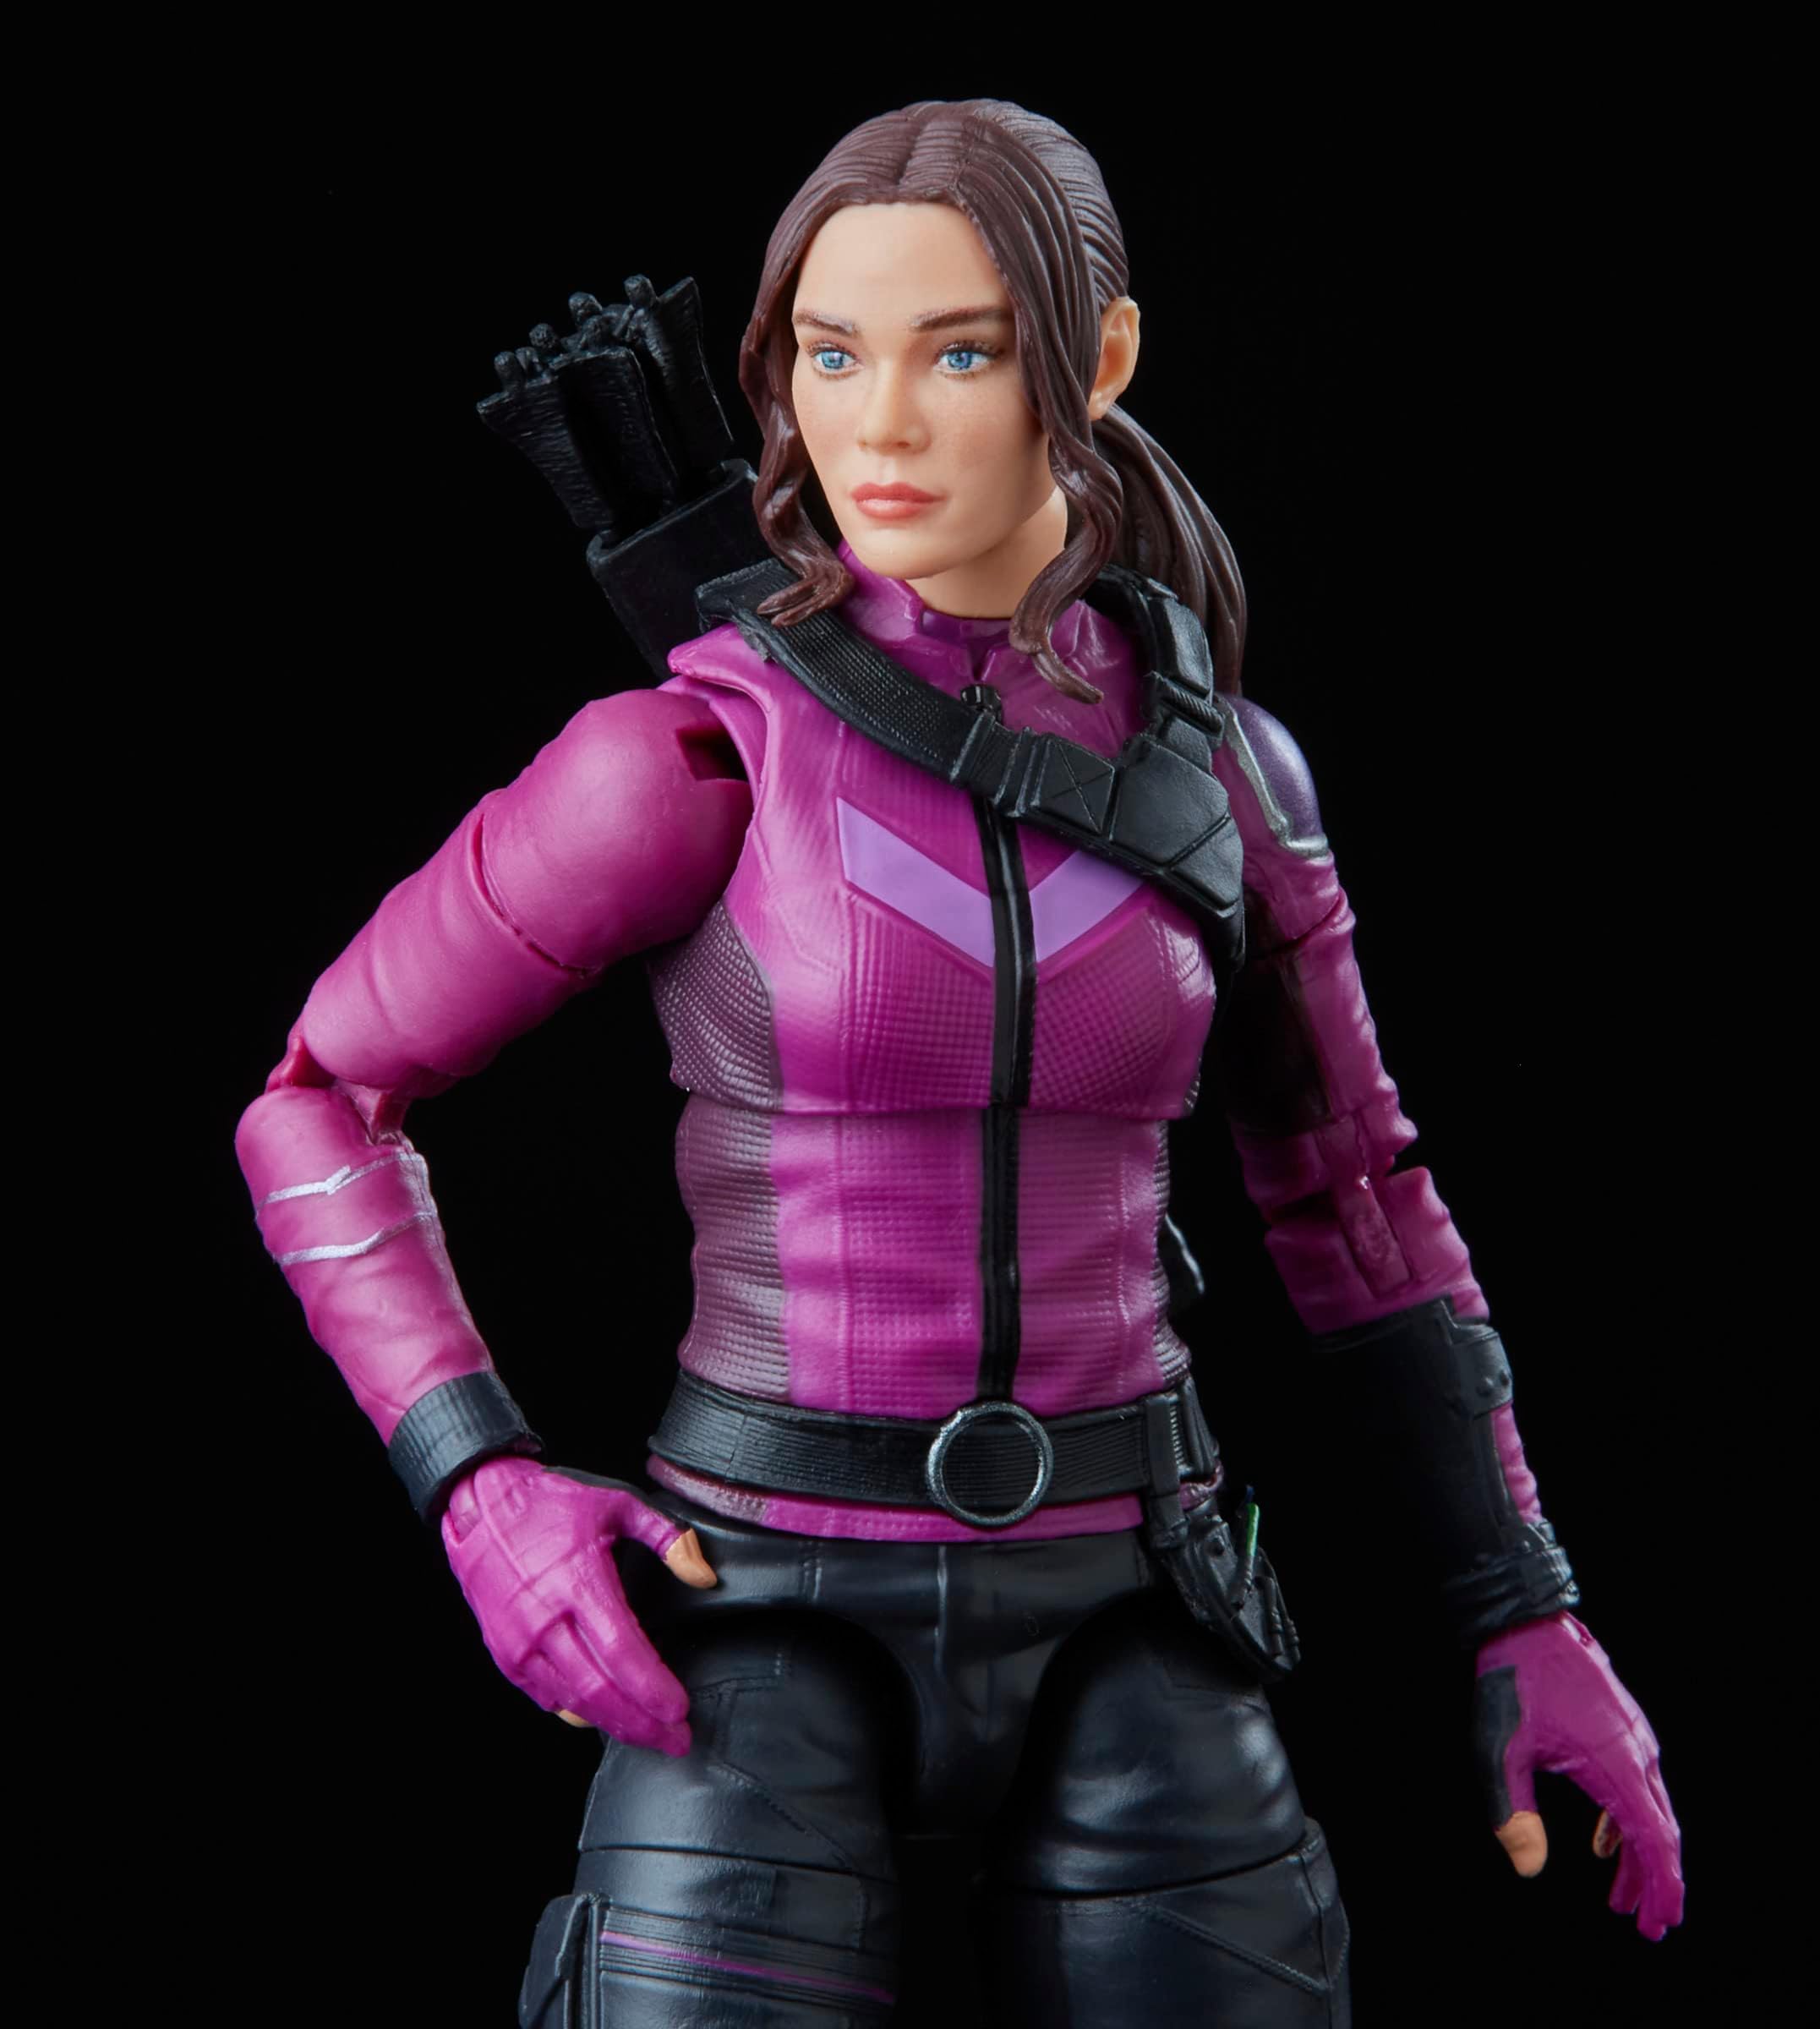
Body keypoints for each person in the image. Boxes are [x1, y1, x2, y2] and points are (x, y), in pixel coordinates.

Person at [236, 99, 1682, 2026]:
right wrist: (477, 1485)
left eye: (962, 353)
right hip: (758, 1600)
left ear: (1101, 358)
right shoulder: (692, 759)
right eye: (832, 357)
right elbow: (319, 1098)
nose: (884, 428)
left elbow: (1356, 1195)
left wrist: (1527, 1600)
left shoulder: (1224, 780)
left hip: (1137, 1601)